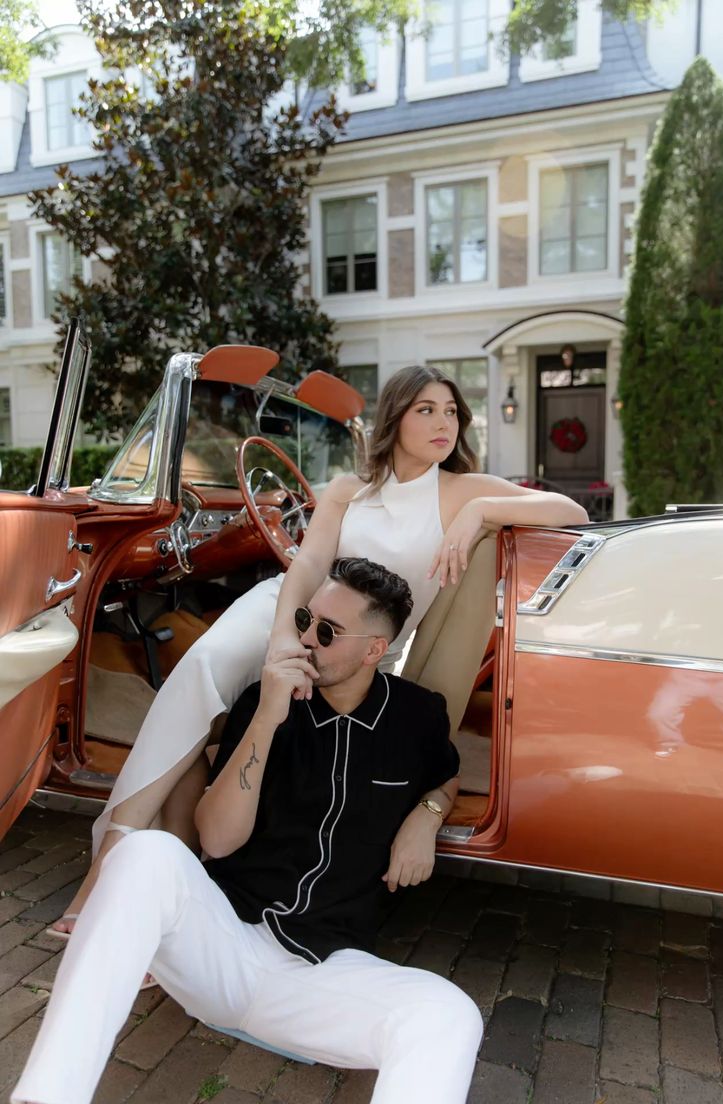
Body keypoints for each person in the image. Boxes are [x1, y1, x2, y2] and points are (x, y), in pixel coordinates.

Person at [50, 363, 588, 936]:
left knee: (231, 708)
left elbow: (571, 513)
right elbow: (306, 565)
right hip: (287, 608)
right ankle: (110, 860)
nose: (443, 423)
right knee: (200, 673)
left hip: (352, 644)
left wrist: (481, 513)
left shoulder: (461, 492)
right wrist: (284, 633)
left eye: (452, 411)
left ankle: (176, 861)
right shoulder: (347, 490)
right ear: (395, 419)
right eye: (426, 410)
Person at [14, 559, 483, 1104]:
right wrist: (267, 716)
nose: (305, 639)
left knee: (449, 1013)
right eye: (306, 620)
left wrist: (424, 818)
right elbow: (215, 840)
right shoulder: (265, 700)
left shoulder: (416, 716)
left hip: (320, 973)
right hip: (222, 945)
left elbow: (445, 778)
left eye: (326, 633)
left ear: (374, 650)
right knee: (145, 855)